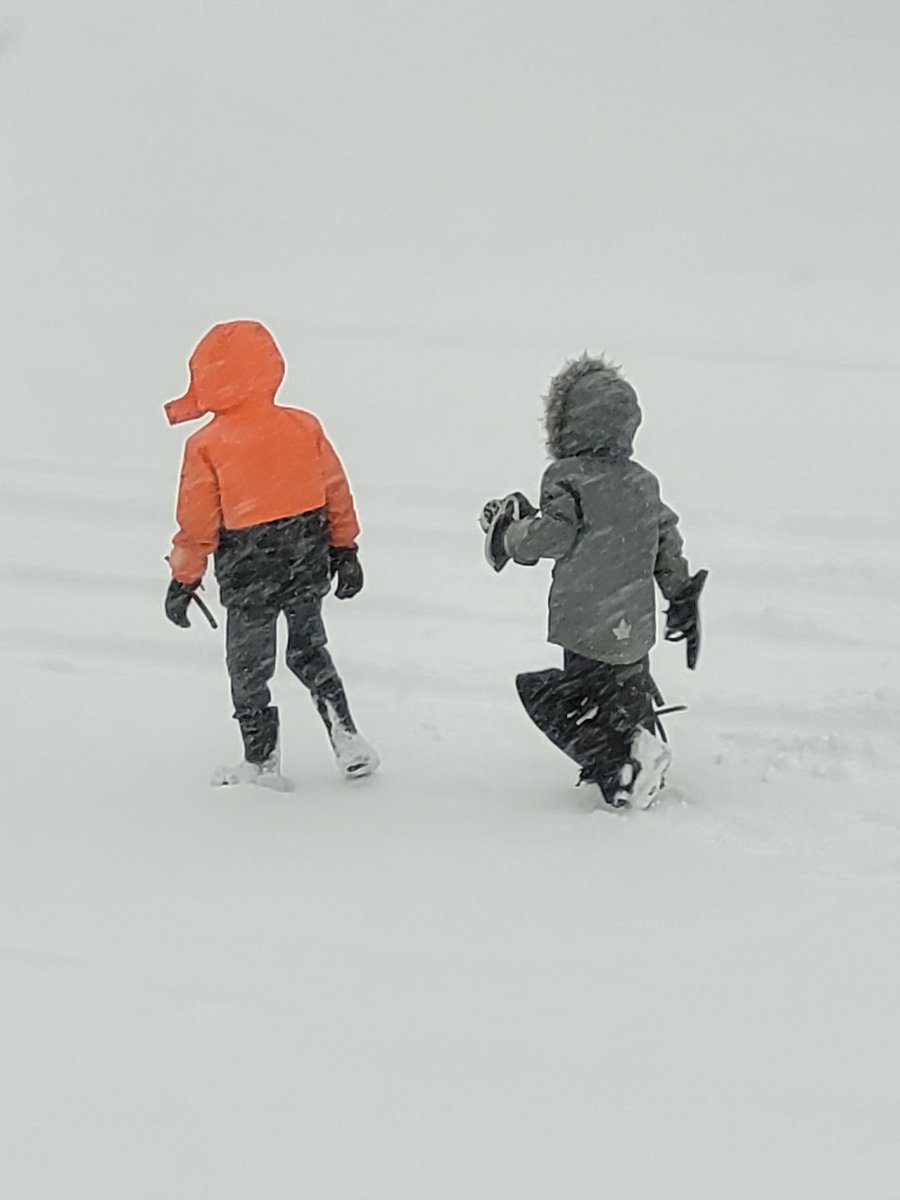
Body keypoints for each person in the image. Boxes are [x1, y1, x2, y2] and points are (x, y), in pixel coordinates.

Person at [480, 354, 706, 809]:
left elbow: (554, 534)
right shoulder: (644, 483)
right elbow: (666, 542)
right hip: (632, 626)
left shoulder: (566, 477)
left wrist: (509, 535)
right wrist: (679, 592)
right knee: (625, 691)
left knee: (555, 697)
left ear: (564, 425)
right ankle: (644, 745)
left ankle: (619, 775)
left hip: (587, 621)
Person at [163, 319, 378, 789]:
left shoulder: (205, 446)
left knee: (249, 667)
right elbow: (335, 490)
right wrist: (345, 548)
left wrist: (184, 580)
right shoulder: (303, 426)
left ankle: (260, 761)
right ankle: (347, 736)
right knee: (309, 650)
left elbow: (197, 525)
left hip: (248, 566)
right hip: (305, 556)